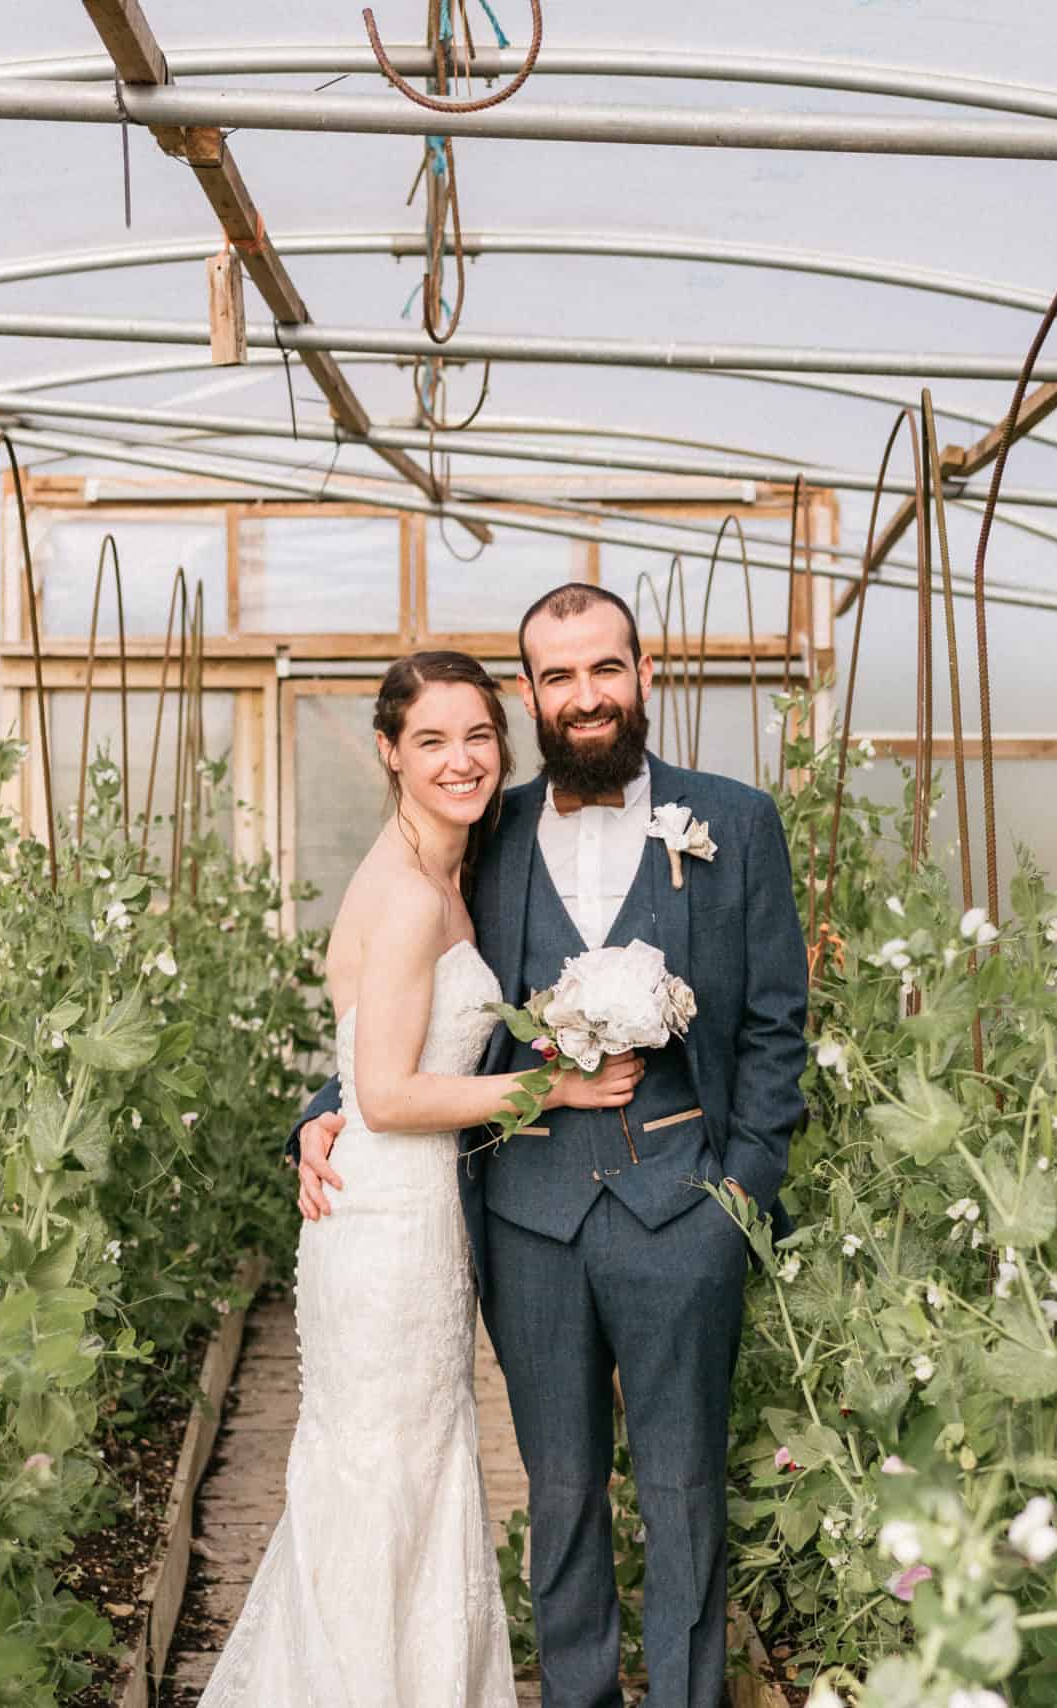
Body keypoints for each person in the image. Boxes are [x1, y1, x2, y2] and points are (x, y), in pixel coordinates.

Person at [292, 588, 809, 1708]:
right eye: (558, 677)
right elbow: (418, 1004)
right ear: (531, 694)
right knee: (561, 1491)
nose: (584, 697)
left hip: (684, 1211)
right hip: (528, 1217)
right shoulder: (490, 829)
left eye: (604, 669)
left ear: (643, 672)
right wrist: (325, 1108)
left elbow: (776, 1025)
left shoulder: (736, 820)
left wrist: (741, 1198)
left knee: (684, 1492)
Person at [200, 649, 642, 1708]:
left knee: (414, 1469)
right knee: (377, 1477)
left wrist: (326, 1112)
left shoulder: (455, 865)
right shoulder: (404, 894)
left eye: (479, 735)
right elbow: (390, 1093)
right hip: (385, 1227)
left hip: (419, 1213)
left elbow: (366, 1065)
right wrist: (553, 1091)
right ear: (388, 753)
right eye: (431, 739)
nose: (461, 760)